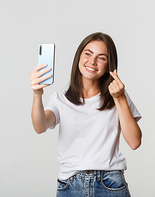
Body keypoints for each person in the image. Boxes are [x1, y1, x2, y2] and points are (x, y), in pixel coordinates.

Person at [30, 32, 142, 197]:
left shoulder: (117, 95)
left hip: (110, 183)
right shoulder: (60, 99)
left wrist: (119, 98)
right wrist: (37, 95)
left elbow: (134, 142)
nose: (92, 61)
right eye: (88, 54)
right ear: (79, 57)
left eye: (101, 58)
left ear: (109, 65)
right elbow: (40, 127)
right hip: (70, 184)